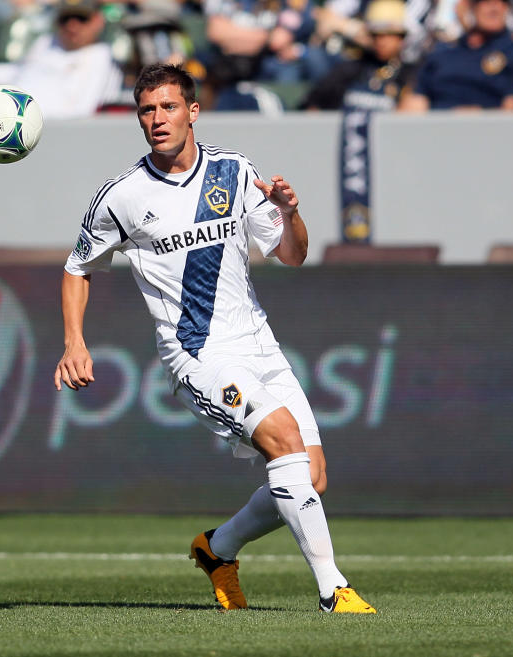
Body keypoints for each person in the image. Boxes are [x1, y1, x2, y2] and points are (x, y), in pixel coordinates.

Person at [53, 63, 376, 614]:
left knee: (311, 479)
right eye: (147, 110)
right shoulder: (121, 197)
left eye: (169, 107)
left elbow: (293, 255)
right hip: (197, 356)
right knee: (283, 440)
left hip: (260, 345)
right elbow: (77, 268)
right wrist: (73, 343)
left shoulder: (232, 171)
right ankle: (334, 591)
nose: (157, 119)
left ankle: (217, 547)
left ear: (193, 111)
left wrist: (290, 213)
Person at [302, 0, 415, 243]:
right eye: (376, 34)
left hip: (392, 168)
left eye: (390, 34)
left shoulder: (412, 74)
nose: (382, 40)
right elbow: (312, 106)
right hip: (347, 168)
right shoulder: (350, 70)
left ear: (402, 37)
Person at [0, 0, 123, 119]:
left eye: (81, 19)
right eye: (65, 19)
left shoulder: (102, 57)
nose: (72, 26)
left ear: (97, 21)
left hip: (49, 138)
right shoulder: (46, 43)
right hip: (11, 131)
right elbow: (16, 74)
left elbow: (81, 113)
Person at [398, 0, 513, 111]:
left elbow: (510, 108)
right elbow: (416, 101)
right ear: (468, 6)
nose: (495, 8)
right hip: (436, 130)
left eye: (502, 2)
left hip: (486, 132)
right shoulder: (442, 52)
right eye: (486, 2)